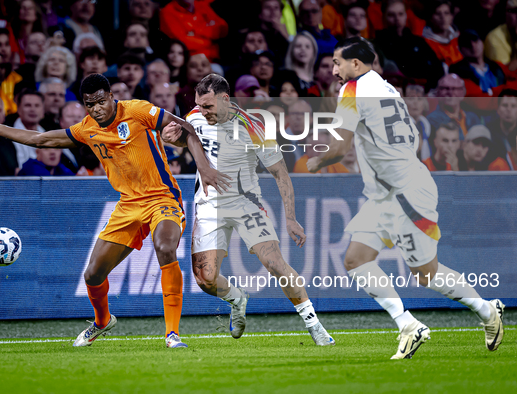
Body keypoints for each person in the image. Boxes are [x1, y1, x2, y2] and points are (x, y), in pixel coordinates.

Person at [0, 73, 228, 348]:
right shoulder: (86, 129)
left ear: (112, 96)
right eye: (90, 104)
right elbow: (41, 139)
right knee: (92, 275)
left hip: (162, 198)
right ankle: (102, 321)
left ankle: (172, 334)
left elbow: (186, 128)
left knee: (165, 246)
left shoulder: (136, 110)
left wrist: (204, 167)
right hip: (128, 205)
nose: (97, 109)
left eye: (101, 101)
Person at [306, 37, 504, 359]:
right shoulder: (388, 90)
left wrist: (316, 161)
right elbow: (410, 140)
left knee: (426, 273)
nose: (333, 69)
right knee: (356, 259)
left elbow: (340, 147)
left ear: (356, 64)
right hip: (389, 192)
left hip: (406, 195)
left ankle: (486, 311)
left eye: (337, 62)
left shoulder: (353, 90)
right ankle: (408, 326)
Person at [161, 73, 335, 346]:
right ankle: (237, 298)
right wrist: (171, 137)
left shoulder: (254, 126)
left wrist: (291, 218)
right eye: (198, 105)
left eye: (207, 106)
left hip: (247, 205)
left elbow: (280, 173)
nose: (201, 111)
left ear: (225, 99)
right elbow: (191, 139)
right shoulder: (195, 117)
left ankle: (315, 326)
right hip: (208, 205)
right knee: (205, 280)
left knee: (275, 263)